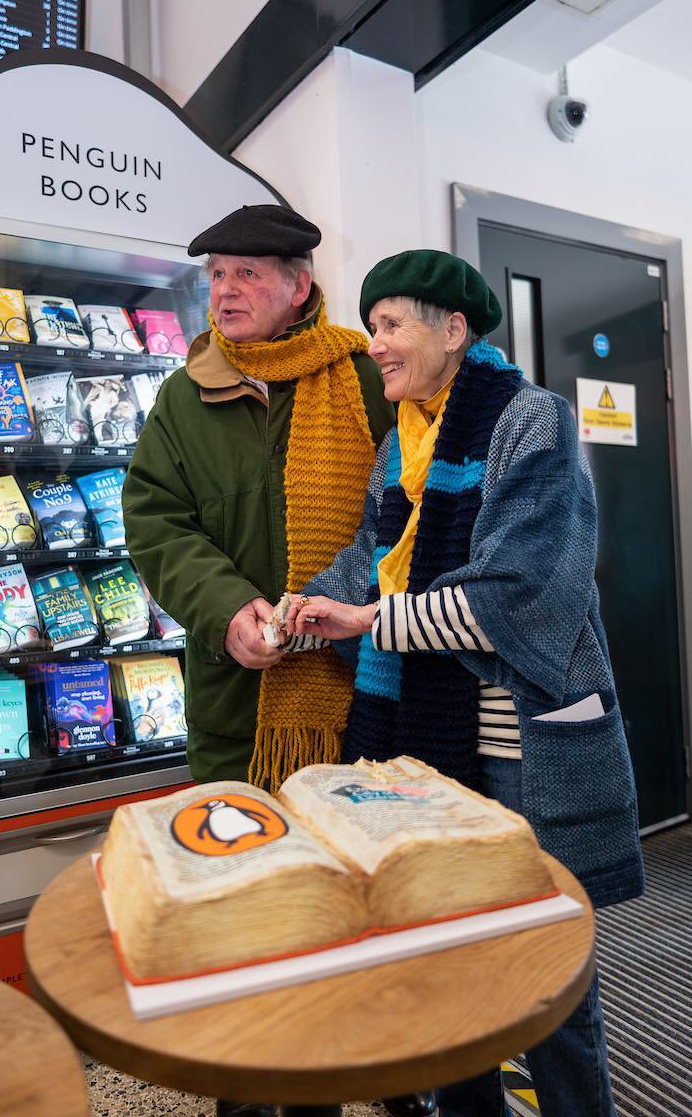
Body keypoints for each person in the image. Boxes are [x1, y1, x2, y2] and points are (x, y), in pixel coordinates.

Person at [285, 249, 645, 1117]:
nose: (375, 345)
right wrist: (300, 608)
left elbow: (517, 594)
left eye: (391, 324)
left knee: (547, 978)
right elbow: (375, 563)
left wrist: (369, 620)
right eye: (371, 327)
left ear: (455, 330)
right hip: (429, 753)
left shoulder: (534, 421)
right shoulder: (398, 441)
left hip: (523, 746)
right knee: (447, 965)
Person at [125, 207, 434, 1117]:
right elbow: (154, 521)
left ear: (301, 284)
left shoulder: (365, 377)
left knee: (362, 904)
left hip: (367, 696)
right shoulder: (186, 396)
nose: (225, 291)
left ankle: (368, 1073)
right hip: (239, 713)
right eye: (217, 274)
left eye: (249, 274)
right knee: (244, 916)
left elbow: (416, 503)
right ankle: (248, 1094)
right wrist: (225, 612)